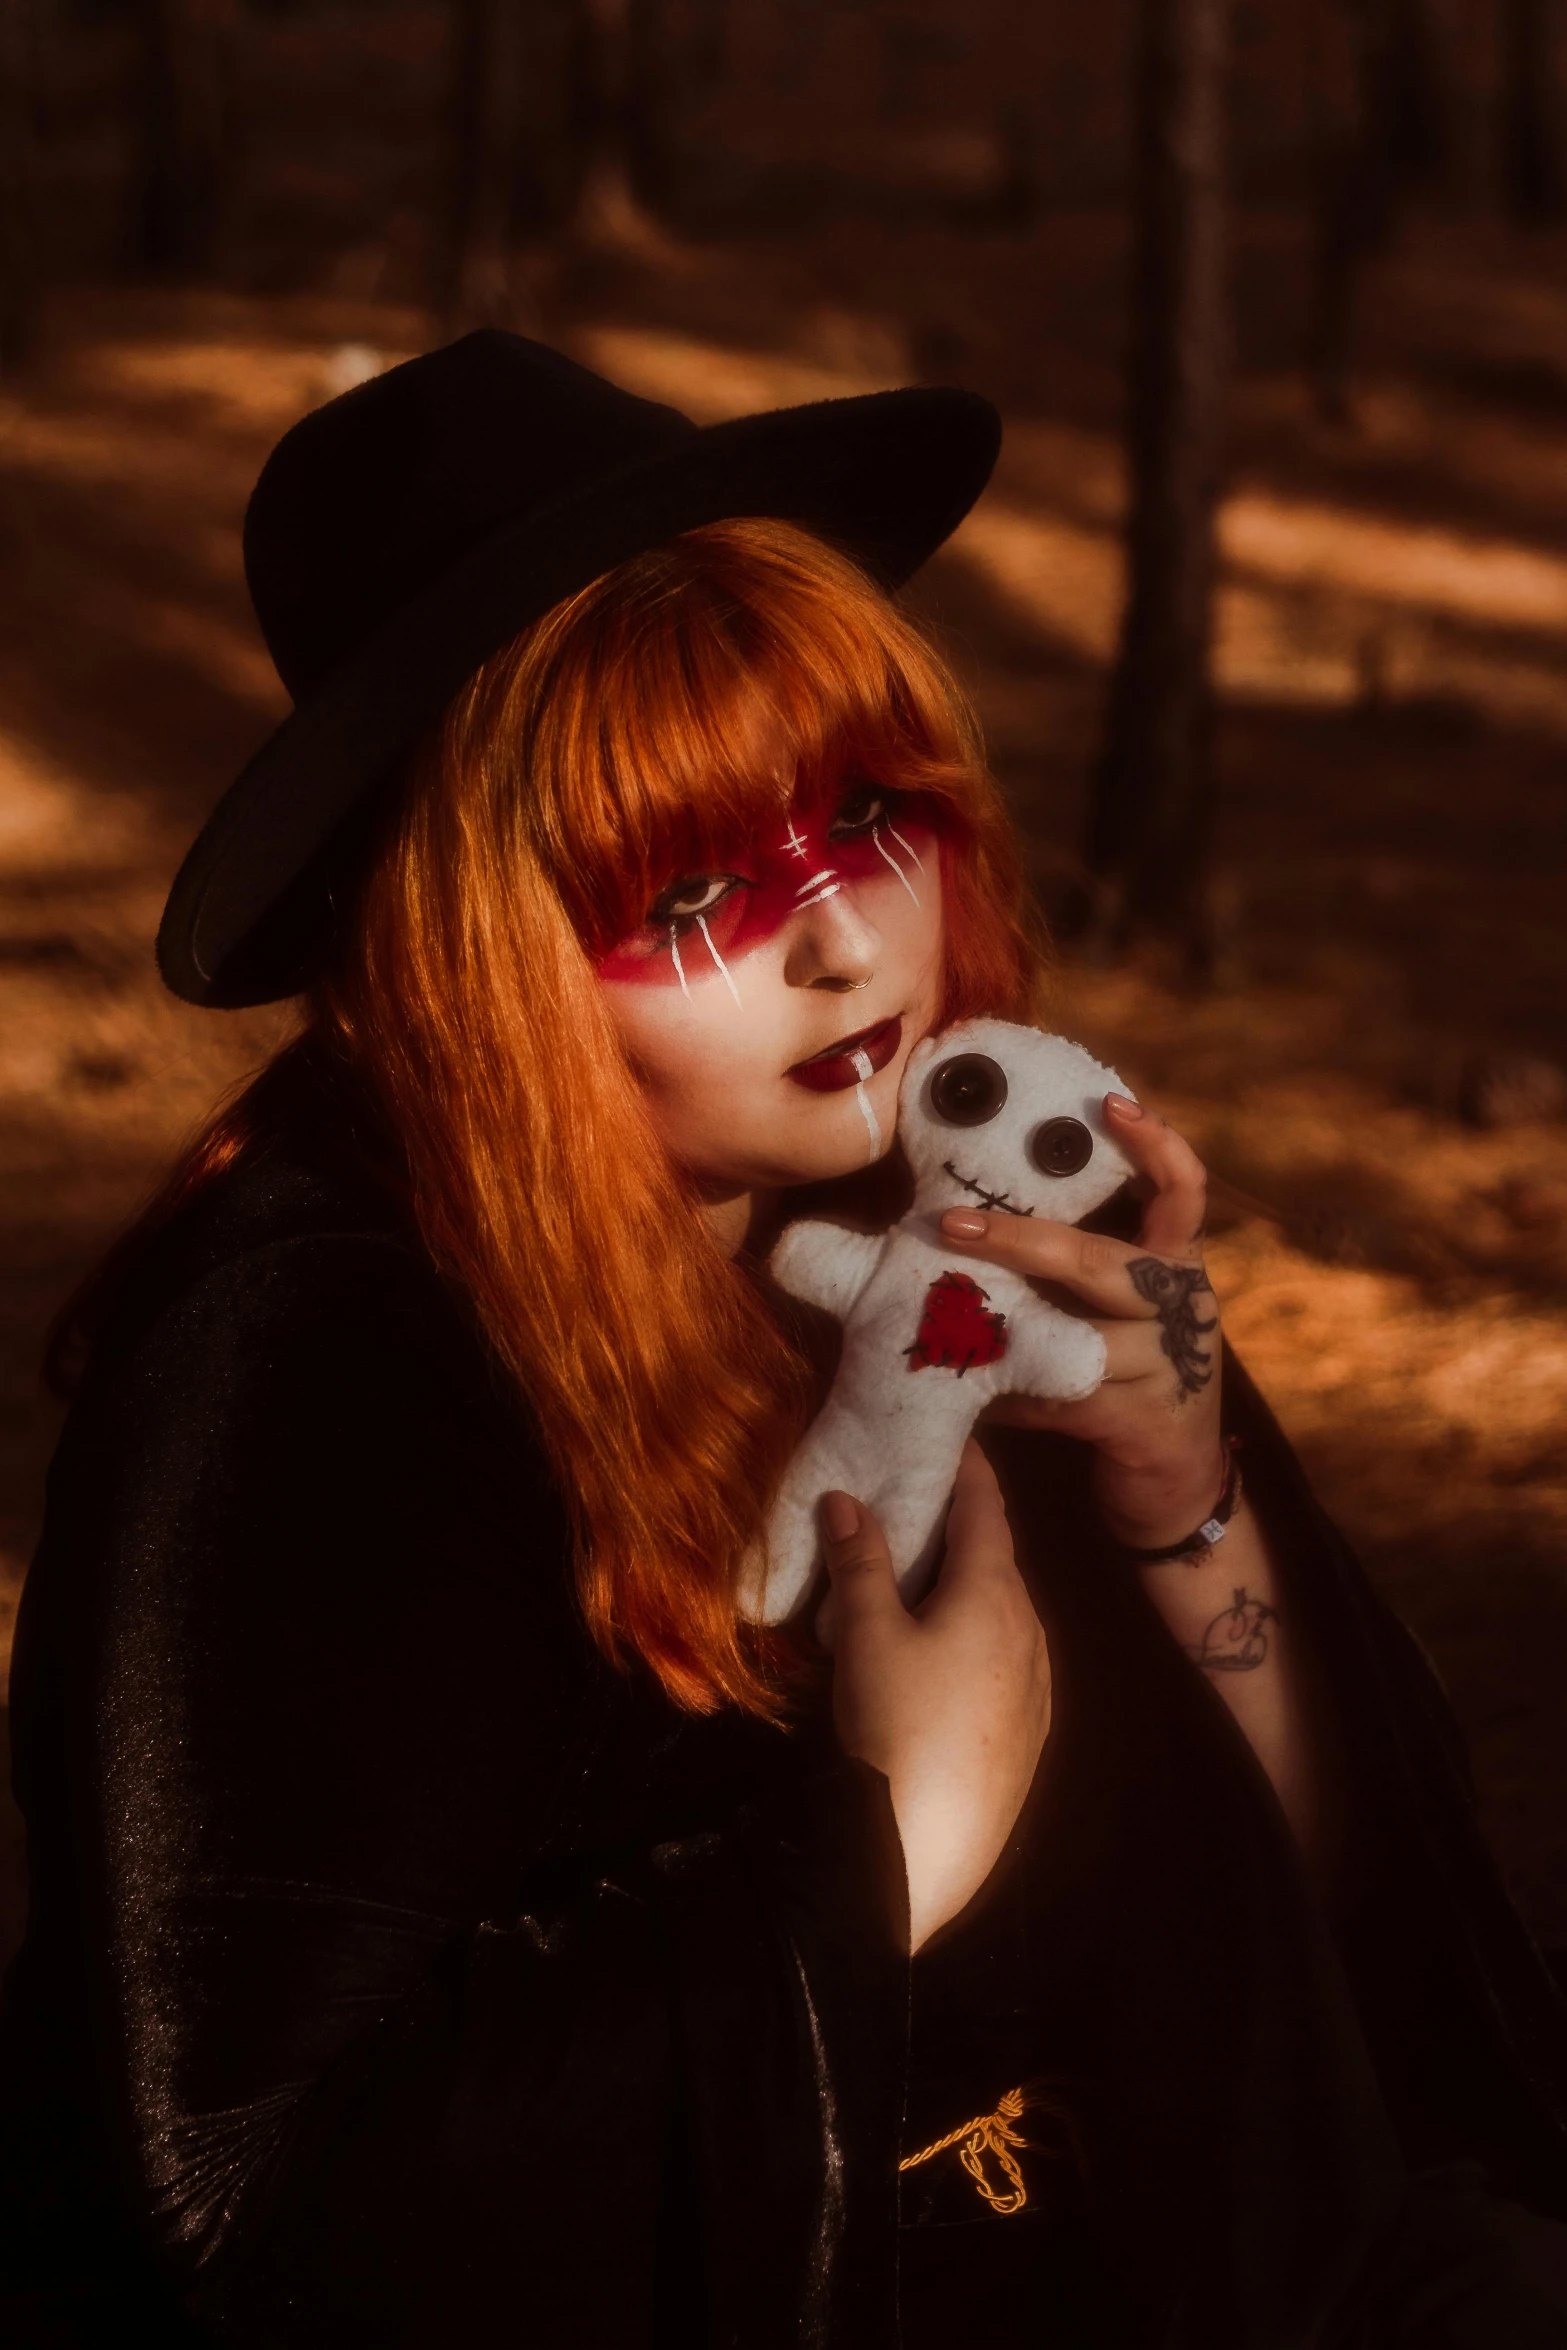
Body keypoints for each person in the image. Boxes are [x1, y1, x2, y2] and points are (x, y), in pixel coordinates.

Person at [2, 331, 1566, 2349]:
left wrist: (1193, 1517)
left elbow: (1360, 1966)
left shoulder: (966, 1176)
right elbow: (250, 2213)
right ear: (481, 954)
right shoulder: (312, 1361)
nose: (846, 945)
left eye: (868, 819)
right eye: (701, 892)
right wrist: (881, 1849)